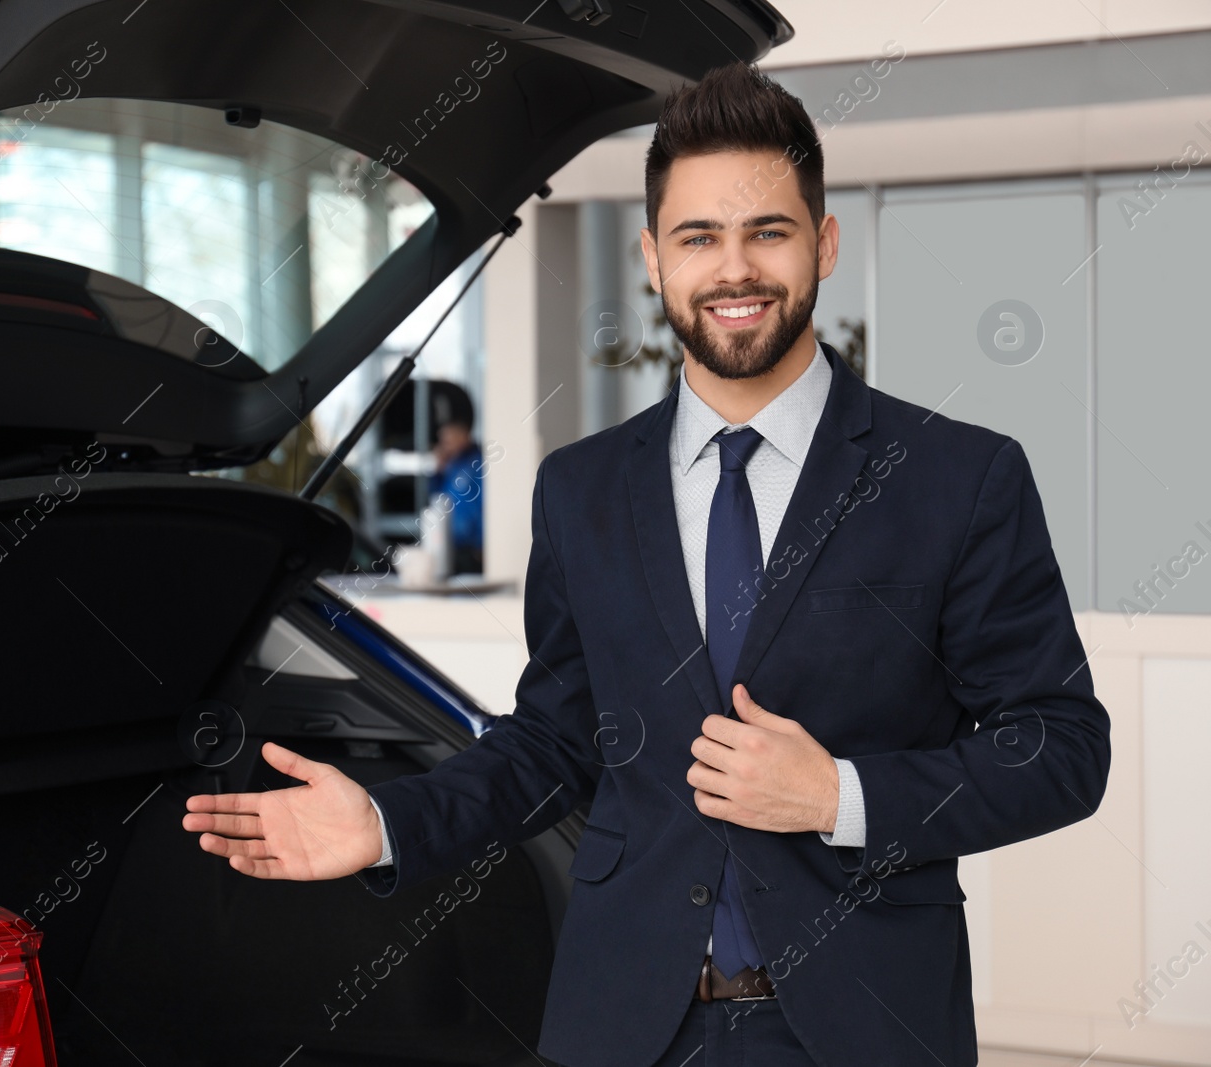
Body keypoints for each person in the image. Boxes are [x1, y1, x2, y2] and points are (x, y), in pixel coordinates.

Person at [183, 61, 1110, 1067]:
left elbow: (1060, 746)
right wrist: (386, 819)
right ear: (654, 258)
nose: (734, 269)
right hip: (624, 1023)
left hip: (865, 1022)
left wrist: (840, 794)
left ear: (824, 243)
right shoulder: (580, 489)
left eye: (769, 230)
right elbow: (553, 740)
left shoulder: (958, 476)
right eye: (699, 236)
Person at [426, 385, 485, 574]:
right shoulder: (451, 466)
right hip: (450, 551)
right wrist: (438, 471)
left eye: (449, 431)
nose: (443, 437)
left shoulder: (479, 463)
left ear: (464, 431)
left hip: (473, 553)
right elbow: (437, 502)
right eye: (442, 432)